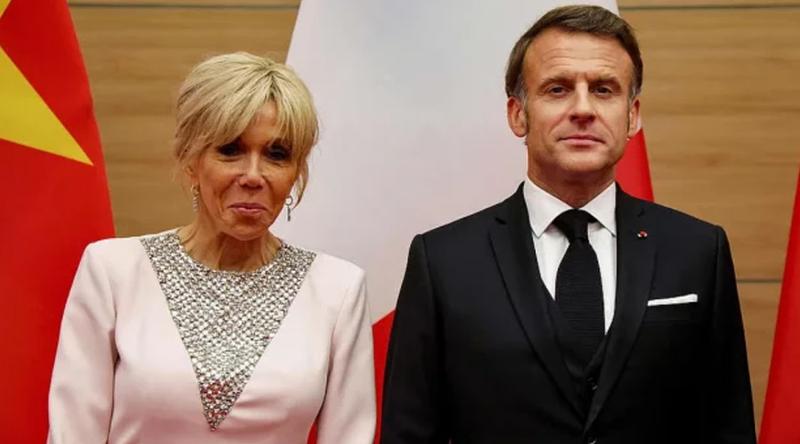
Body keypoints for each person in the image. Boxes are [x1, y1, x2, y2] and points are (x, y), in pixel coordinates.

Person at [381, 5, 755, 443]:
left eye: (603, 90)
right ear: (518, 114)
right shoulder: (443, 261)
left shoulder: (698, 250)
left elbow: (727, 427)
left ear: (633, 115)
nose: (583, 109)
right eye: (557, 89)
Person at [48, 52, 375, 443]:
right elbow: (73, 433)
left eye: (276, 155)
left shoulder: (338, 289)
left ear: (296, 172)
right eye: (230, 150)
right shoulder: (113, 271)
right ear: (191, 160)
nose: (253, 176)